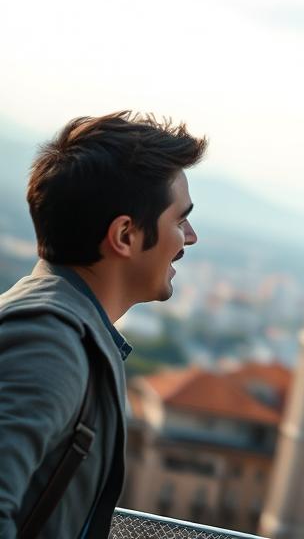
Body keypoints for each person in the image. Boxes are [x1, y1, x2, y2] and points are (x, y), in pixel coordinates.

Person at [0, 112, 206, 538]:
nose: (190, 236)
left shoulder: (64, 326)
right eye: (179, 219)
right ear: (125, 235)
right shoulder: (49, 341)